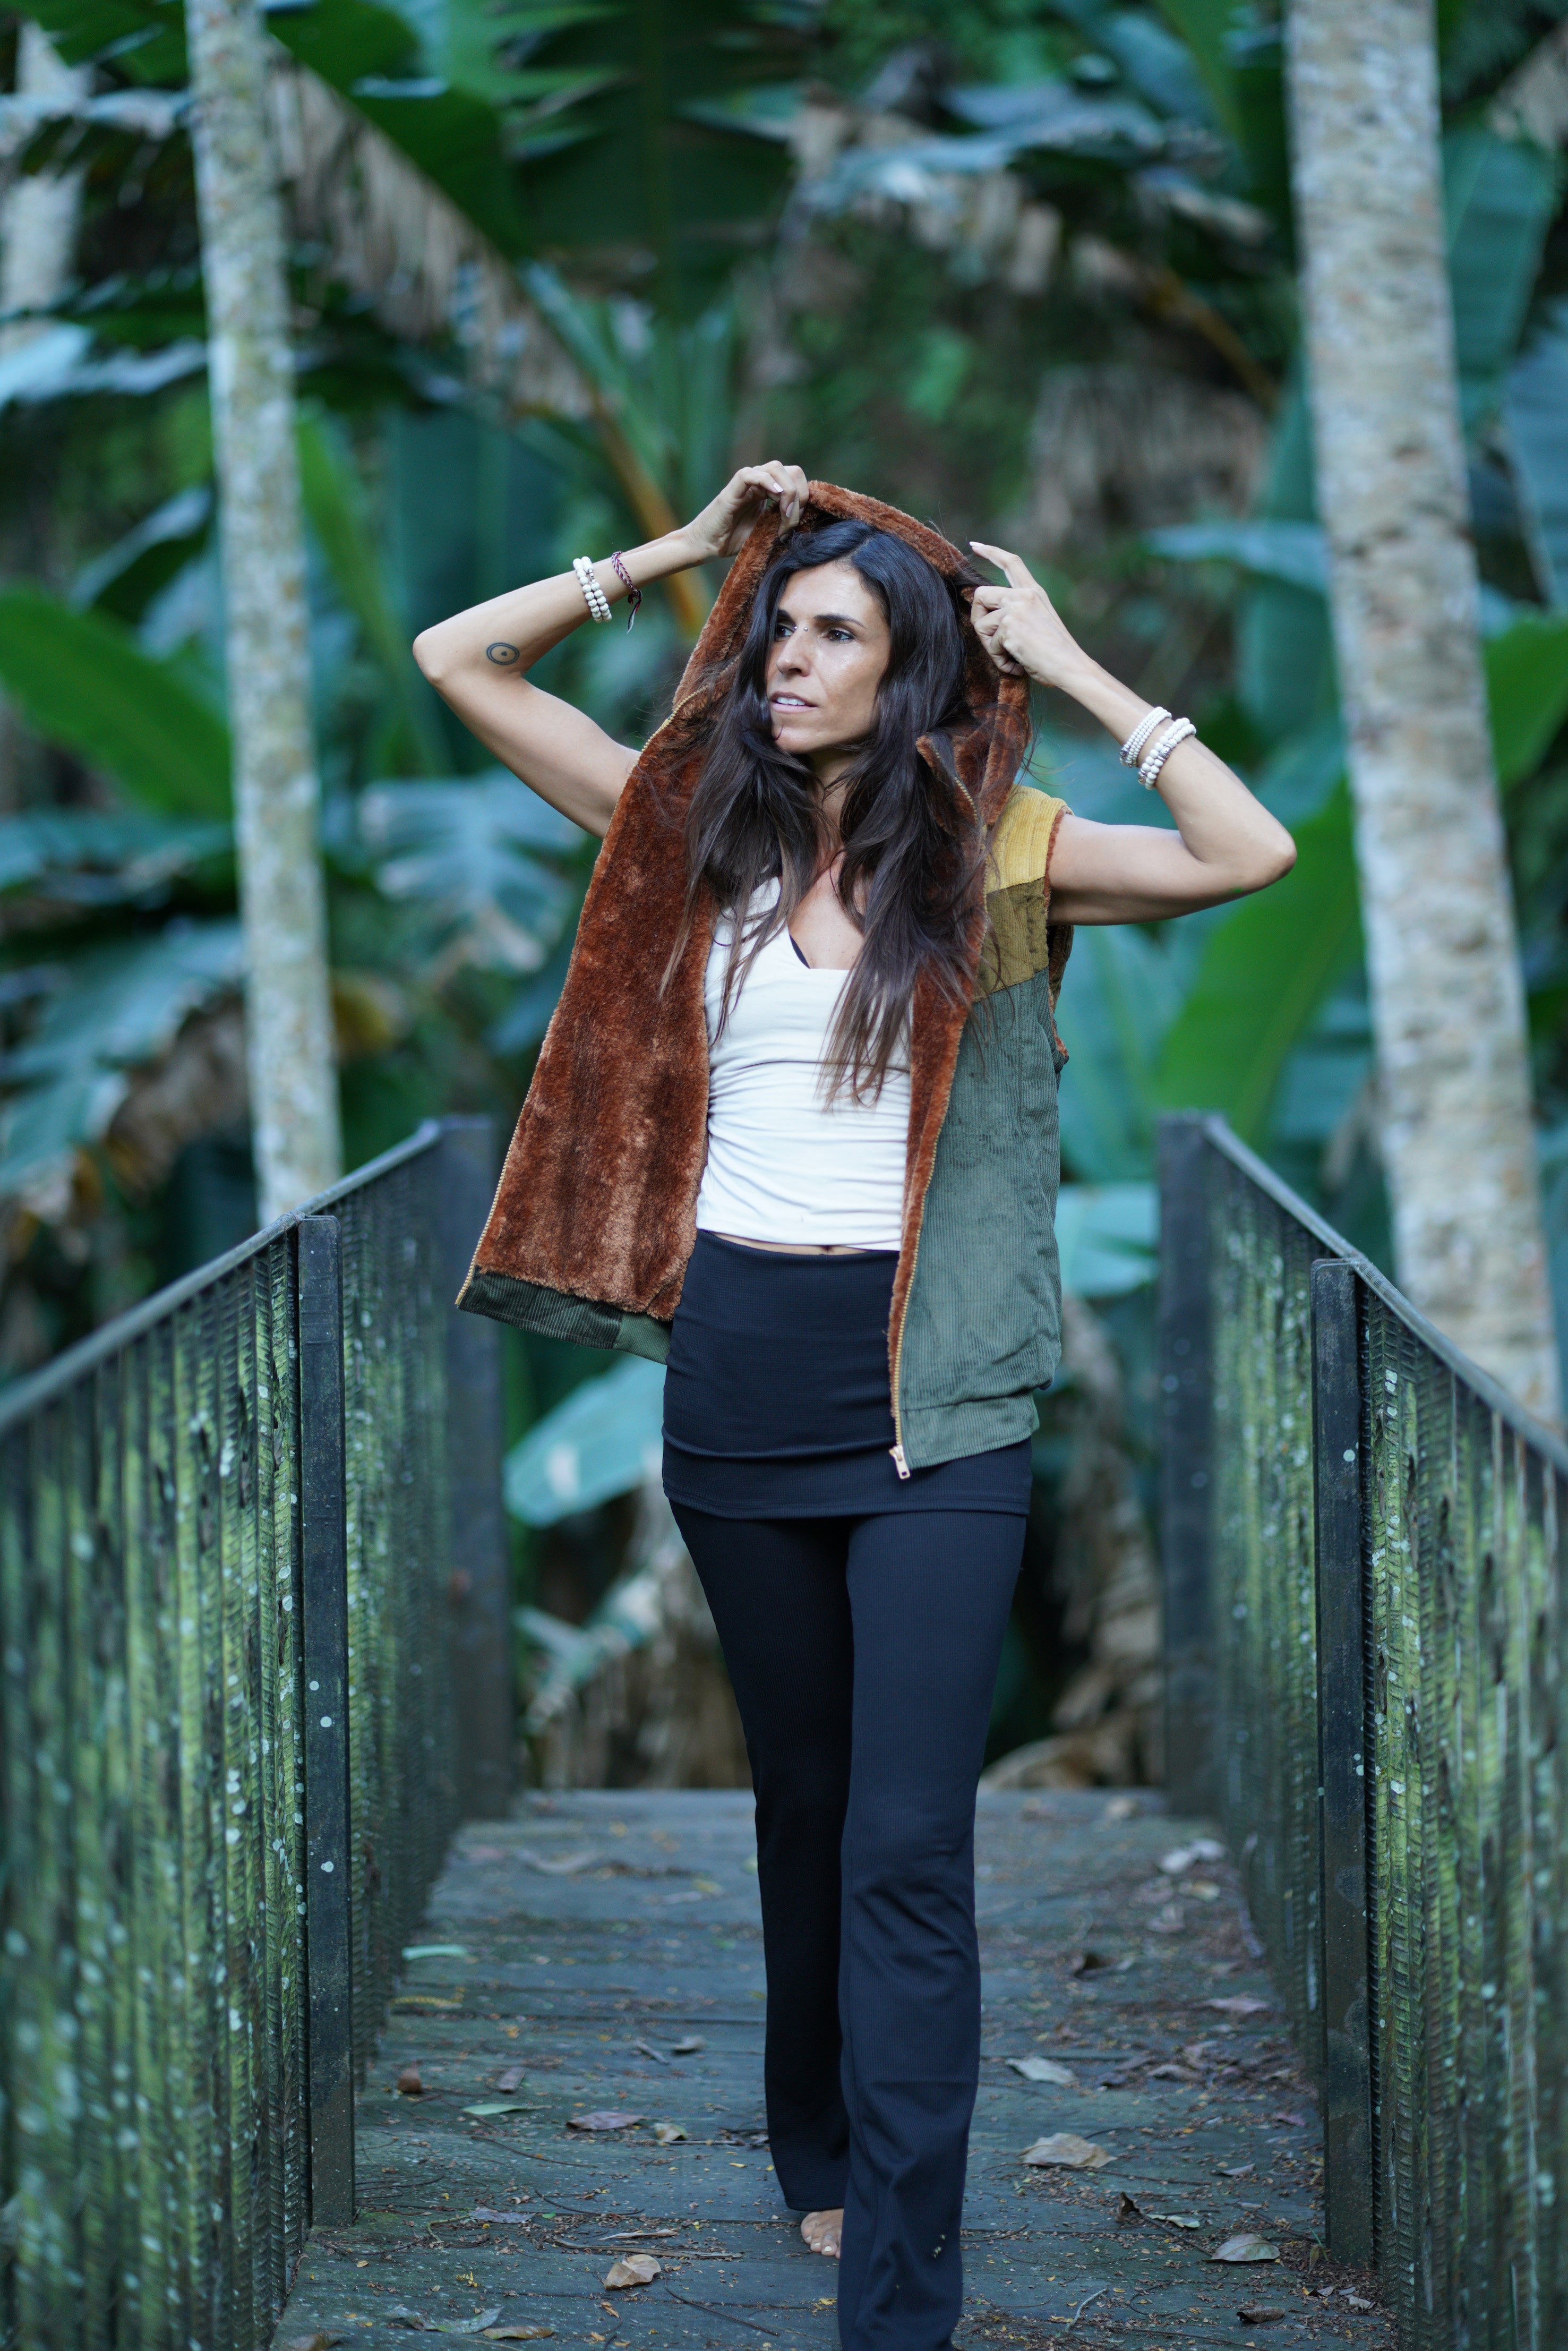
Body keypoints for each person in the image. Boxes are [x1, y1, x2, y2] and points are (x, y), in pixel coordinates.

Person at [414, 465, 1295, 2349]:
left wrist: (1070, 663)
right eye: (778, 630)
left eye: (832, 635)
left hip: (935, 1412)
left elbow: (1246, 854)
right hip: (739, 1386)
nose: (784, 660)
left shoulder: (1003, 857)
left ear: (907, 677)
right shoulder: (687, 833)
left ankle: (900, 2292)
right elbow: (456, 661)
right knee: (805, 1803)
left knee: (905, 1844)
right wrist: (680, 554)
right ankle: (807, 2132)